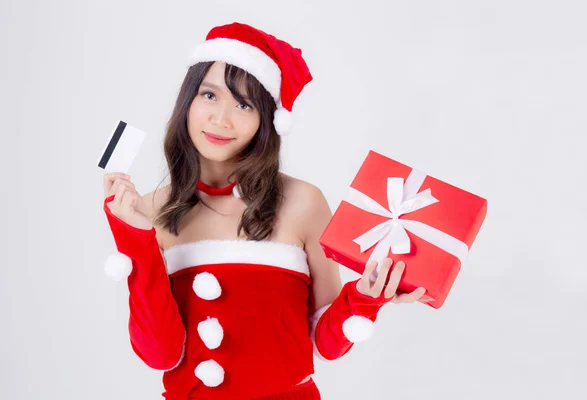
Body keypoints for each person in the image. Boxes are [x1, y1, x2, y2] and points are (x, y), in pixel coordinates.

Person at [101, 22, 426, 400]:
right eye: (209, 95)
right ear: (187, 101)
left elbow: (326, 343)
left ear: (266, 120)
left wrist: (365, 298)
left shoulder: (303, 202)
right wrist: (134, 238)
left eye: (244, 104)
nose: (221, 119)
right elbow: (160, 353)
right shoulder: (151, 210)